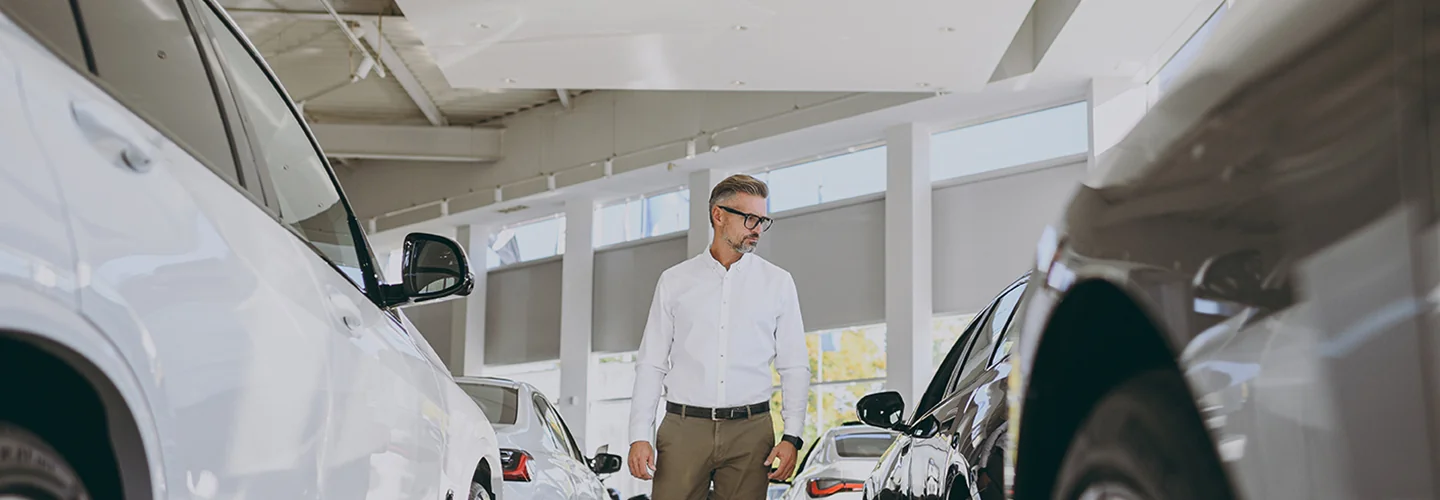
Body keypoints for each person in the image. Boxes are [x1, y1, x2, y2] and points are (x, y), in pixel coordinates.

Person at [626, 174, 810, 500]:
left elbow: (794, 365)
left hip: (751, 432)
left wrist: (792, 436)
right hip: (683, 428)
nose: (757, 228)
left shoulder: (778, 283)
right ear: (719, 215)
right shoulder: (675, 281)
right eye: (749, 218)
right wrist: (639, 434)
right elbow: (652, 363)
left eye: (762, 220)